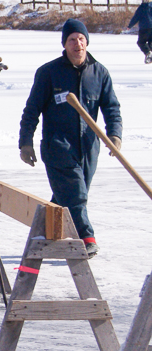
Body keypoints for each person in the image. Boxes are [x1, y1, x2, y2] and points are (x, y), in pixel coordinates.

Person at [19, 19, 122, 258]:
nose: (78, 44)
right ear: (64, 44)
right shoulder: (49, 73)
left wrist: (114, 135)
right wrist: (26, 142)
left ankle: (45, 235)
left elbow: (112, 108)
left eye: (81, 39)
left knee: (66, 198)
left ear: (87, 42)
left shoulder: (100, 73)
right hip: (58, 146)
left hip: (88, 147)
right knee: (76, 194)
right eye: (72, 40)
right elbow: (32, 110)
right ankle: (87, 238)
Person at [127, 0, 152, 64]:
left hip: (144, 28)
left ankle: (148, 53)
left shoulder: (142, 7)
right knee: (150, 43)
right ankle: (149, 57)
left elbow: (136, 17)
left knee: (141, 42)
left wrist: (130, 25)